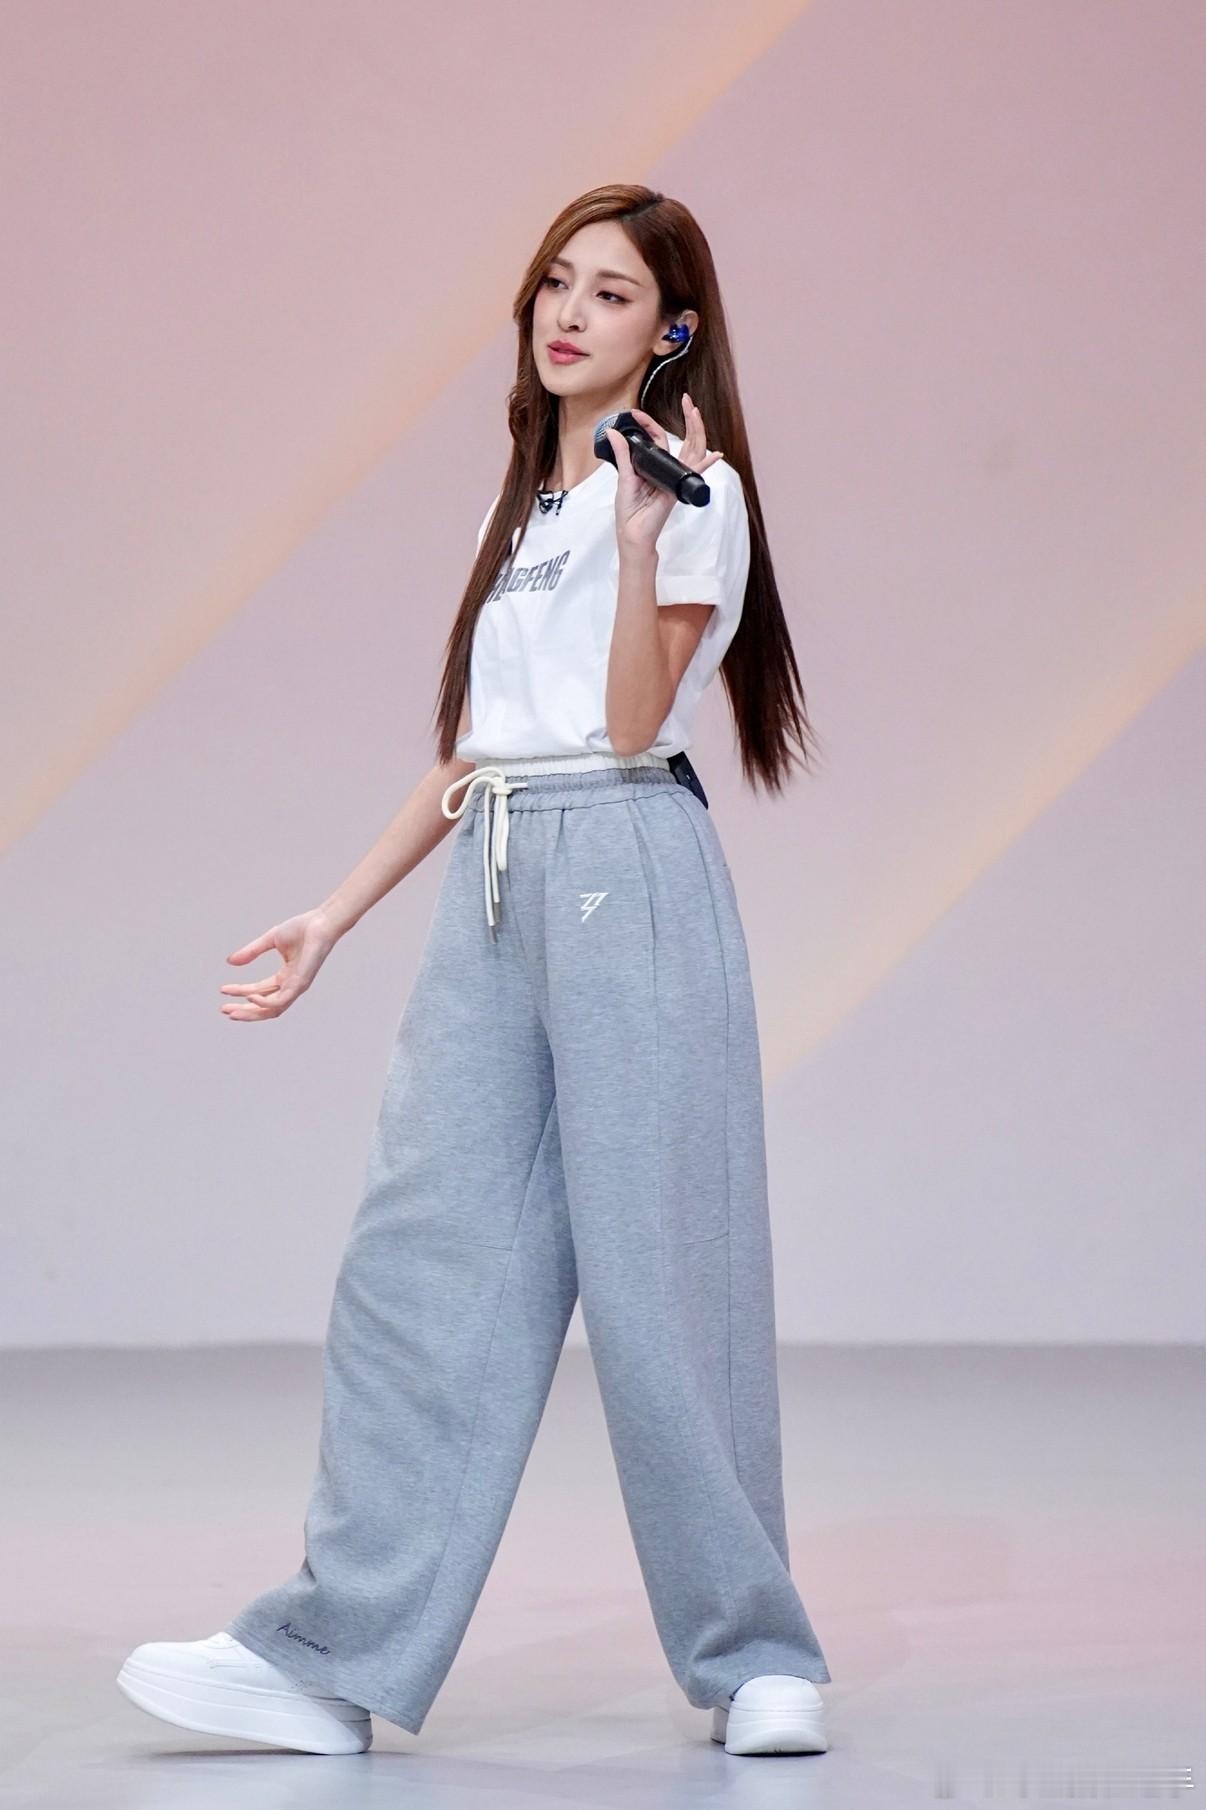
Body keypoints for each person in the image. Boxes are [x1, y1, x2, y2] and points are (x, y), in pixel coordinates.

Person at [116, 184, 832, 1759]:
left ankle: (756, 1653)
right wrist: (334, 914)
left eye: (611, 293)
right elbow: (479, 752)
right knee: (418, 1267)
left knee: (662, 1279)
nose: (568, 312)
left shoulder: (686, 495)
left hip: (628, 861)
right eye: (555, 282)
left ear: (672, 330)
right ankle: (331, 1659)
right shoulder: (524, 515)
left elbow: (628, 722)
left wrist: (640, 541)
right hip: (497, 882)